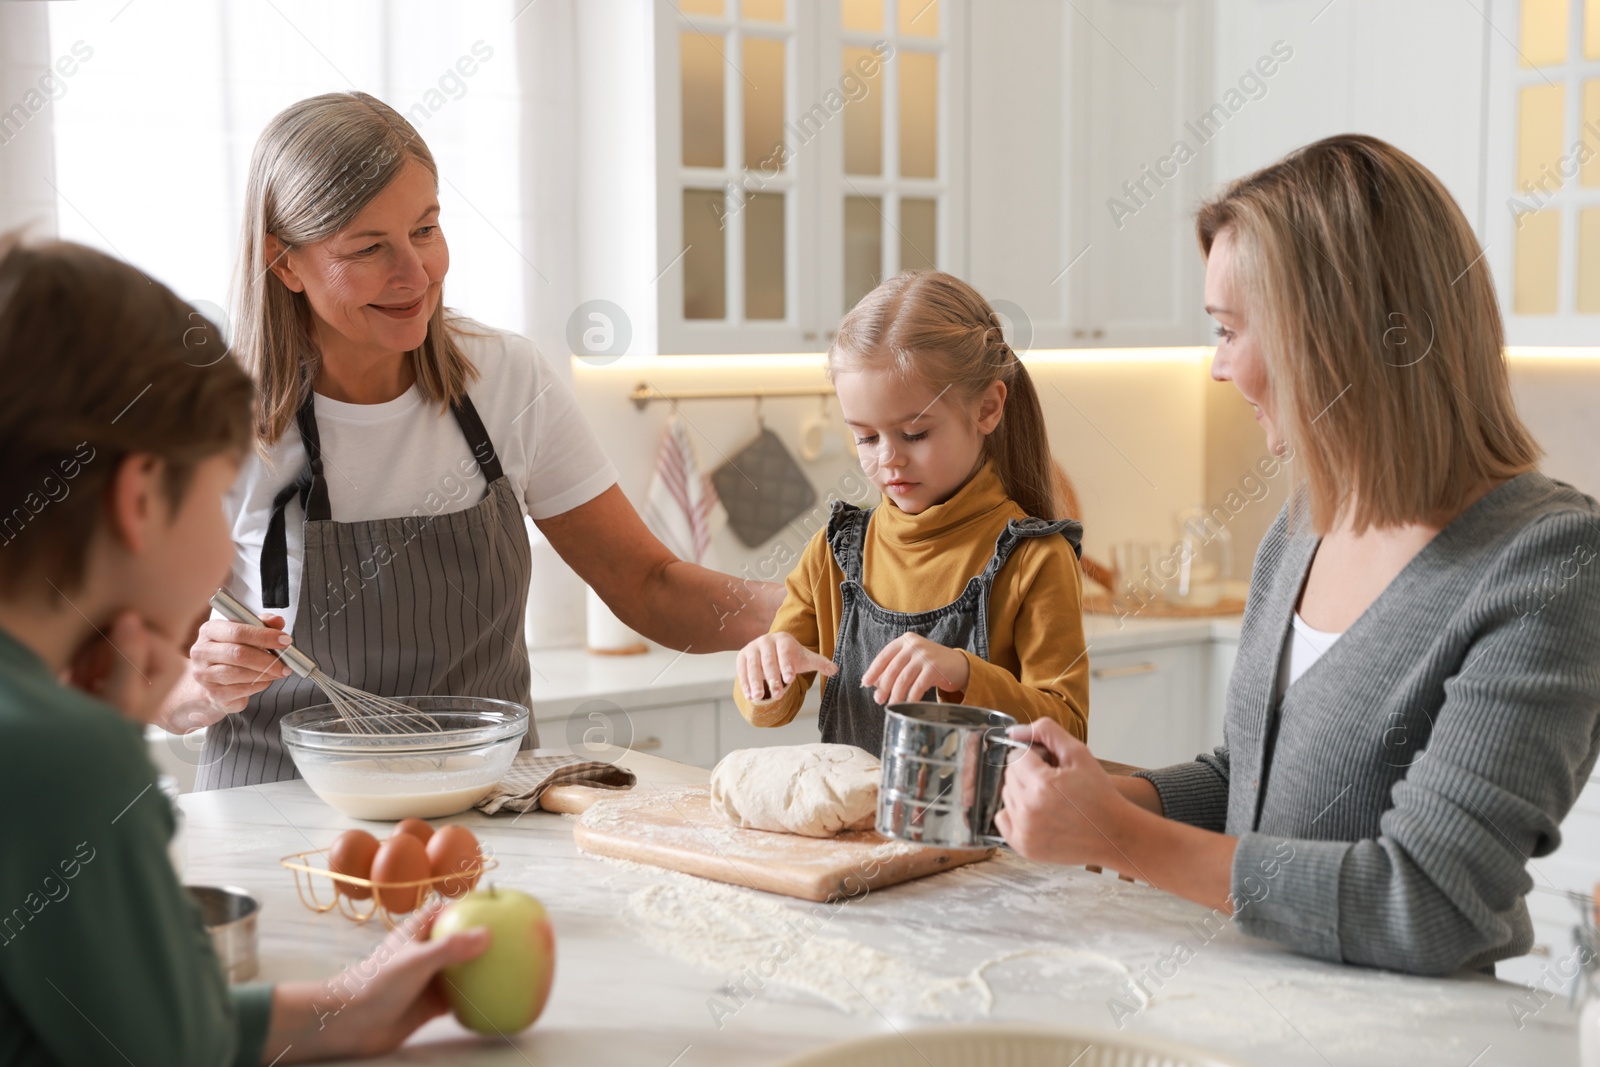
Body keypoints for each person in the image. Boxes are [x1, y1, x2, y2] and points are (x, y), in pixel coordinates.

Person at [995, 134, 1600, 977]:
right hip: (1249, 1005)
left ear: (1335, 337)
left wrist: (1117, 835)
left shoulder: (1547, 564)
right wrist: (1099, 795)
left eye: (1230, 330)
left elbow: (1426, 898)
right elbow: (1256, 776)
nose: (1217, 367)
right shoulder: (1307, 522)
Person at [150, 92, 782, 788]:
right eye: (369, 248)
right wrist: (203, 687)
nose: (417, 274)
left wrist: (814, 608)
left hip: (489, 813)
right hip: (279, 817)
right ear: (284, 262)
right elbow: (151, 673)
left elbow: (647, 582)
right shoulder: (215, 417)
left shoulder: (505, 379)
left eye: (425, 229)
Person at [0, 233, 495, 1065]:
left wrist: (347, 1007)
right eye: (215, 490)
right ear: (142, 497)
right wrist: (114, 735)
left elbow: (113, 1020)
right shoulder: (63, 755)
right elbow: (174, 1045)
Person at [732, 270, 1090, 756]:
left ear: (987, 408)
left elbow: (1067, 729)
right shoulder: (834, 553)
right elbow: (767, 709)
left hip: (982, 830)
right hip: (857, 830)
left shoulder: (1035, 559)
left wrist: (964, 674)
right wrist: (766, 667)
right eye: (866, 437)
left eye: (915, 434)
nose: (889, 459)